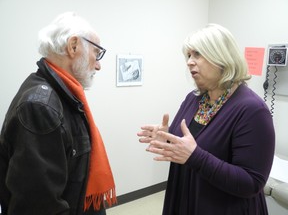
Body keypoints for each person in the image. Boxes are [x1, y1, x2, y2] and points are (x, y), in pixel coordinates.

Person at [137, 23, 275, 215]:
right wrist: (168, 138)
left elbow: (251, 183)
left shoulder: (252, 110)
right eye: (188, 55)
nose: (189, 62)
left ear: (222, 57)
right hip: (185, 199)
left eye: (198, 54)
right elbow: (191, 144)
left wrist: (195, 157)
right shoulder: (194, 98)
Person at [0, 12, 116, 215]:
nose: (98, 64)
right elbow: (39, 207)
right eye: (96, 54)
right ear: (73, 46)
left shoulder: (63, 95)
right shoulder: (40, 107)